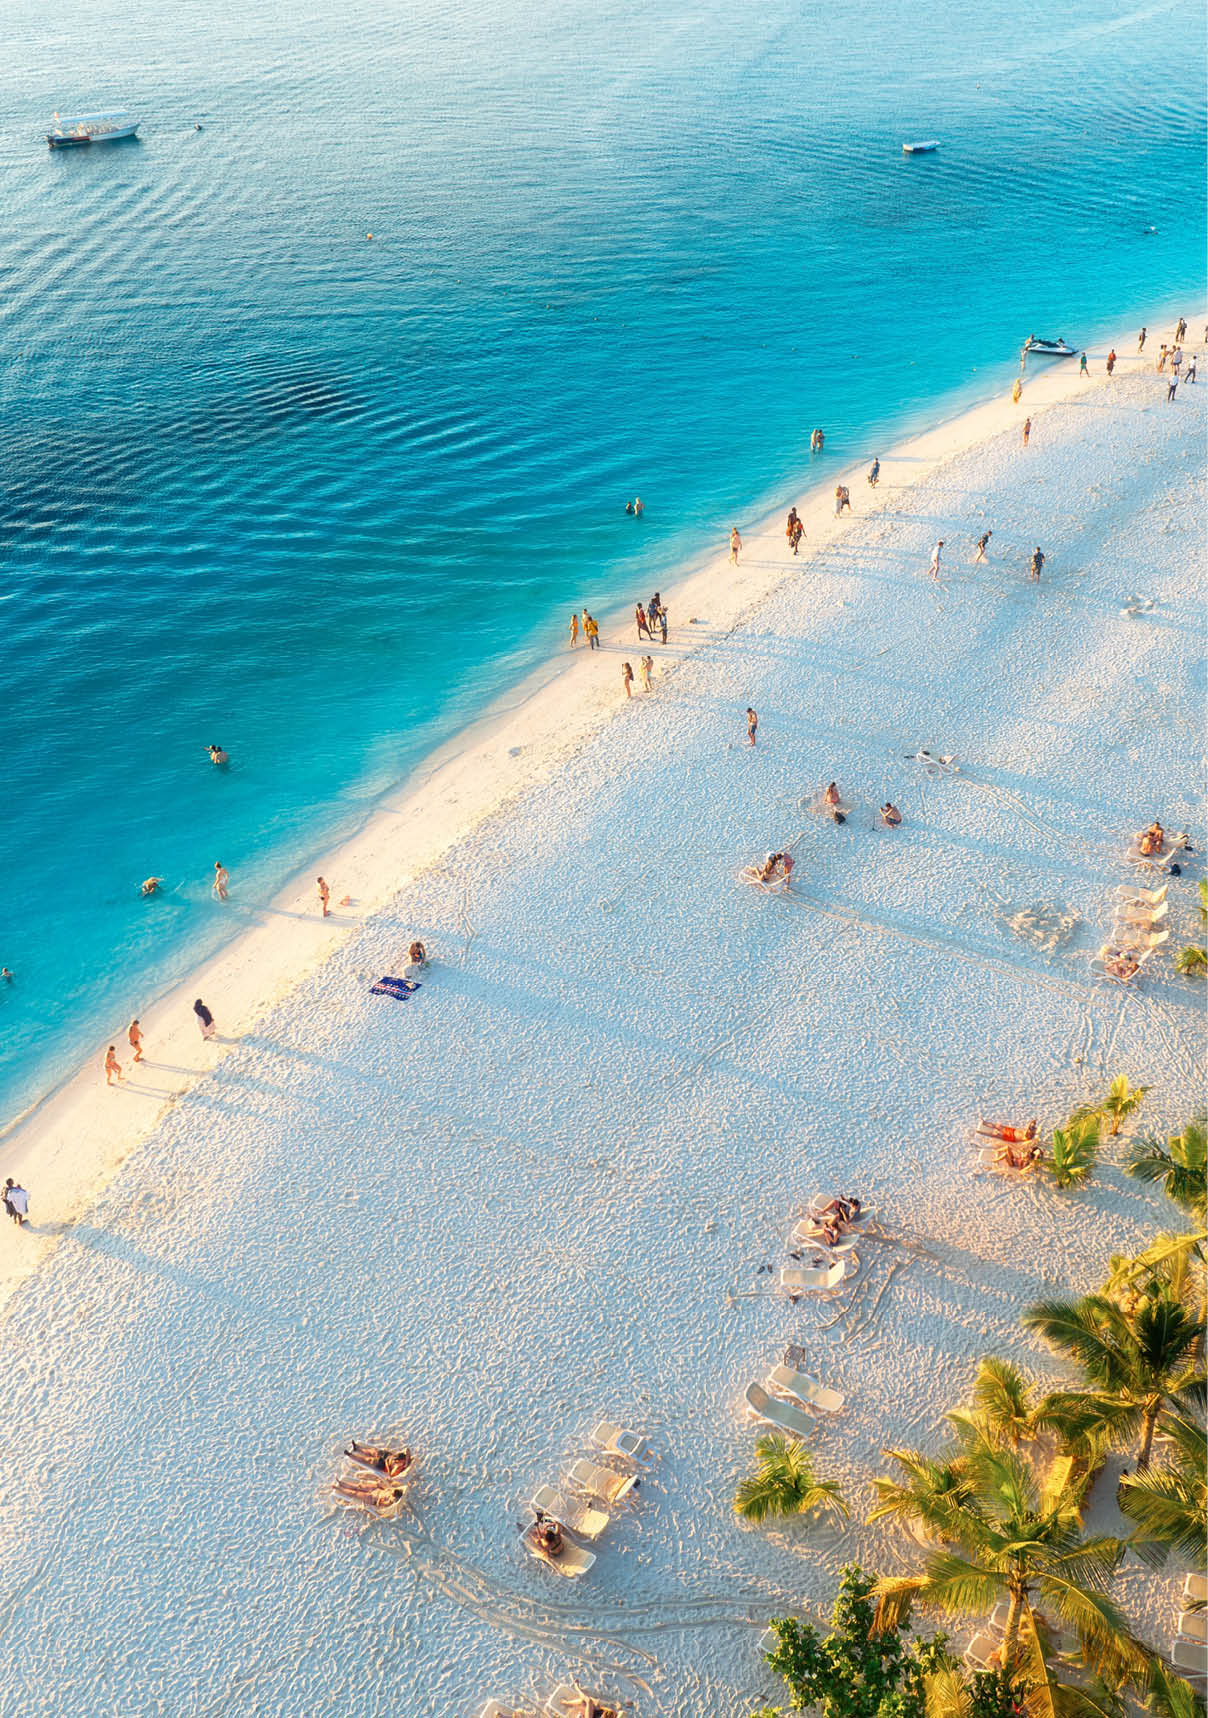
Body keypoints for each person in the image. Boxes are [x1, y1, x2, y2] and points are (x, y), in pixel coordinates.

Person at [346, 1440, 412, 1477]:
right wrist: (406, 1462)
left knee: (369, 1459)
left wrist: (387, 1464)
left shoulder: (397, 1468)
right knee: (374, 1451)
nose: (397, 1461)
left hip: (383, 1464)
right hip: (387, 1455)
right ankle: (357, 1448)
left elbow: (391, 1475)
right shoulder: (406, 1460)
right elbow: (407, 1449)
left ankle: (351, 1455)